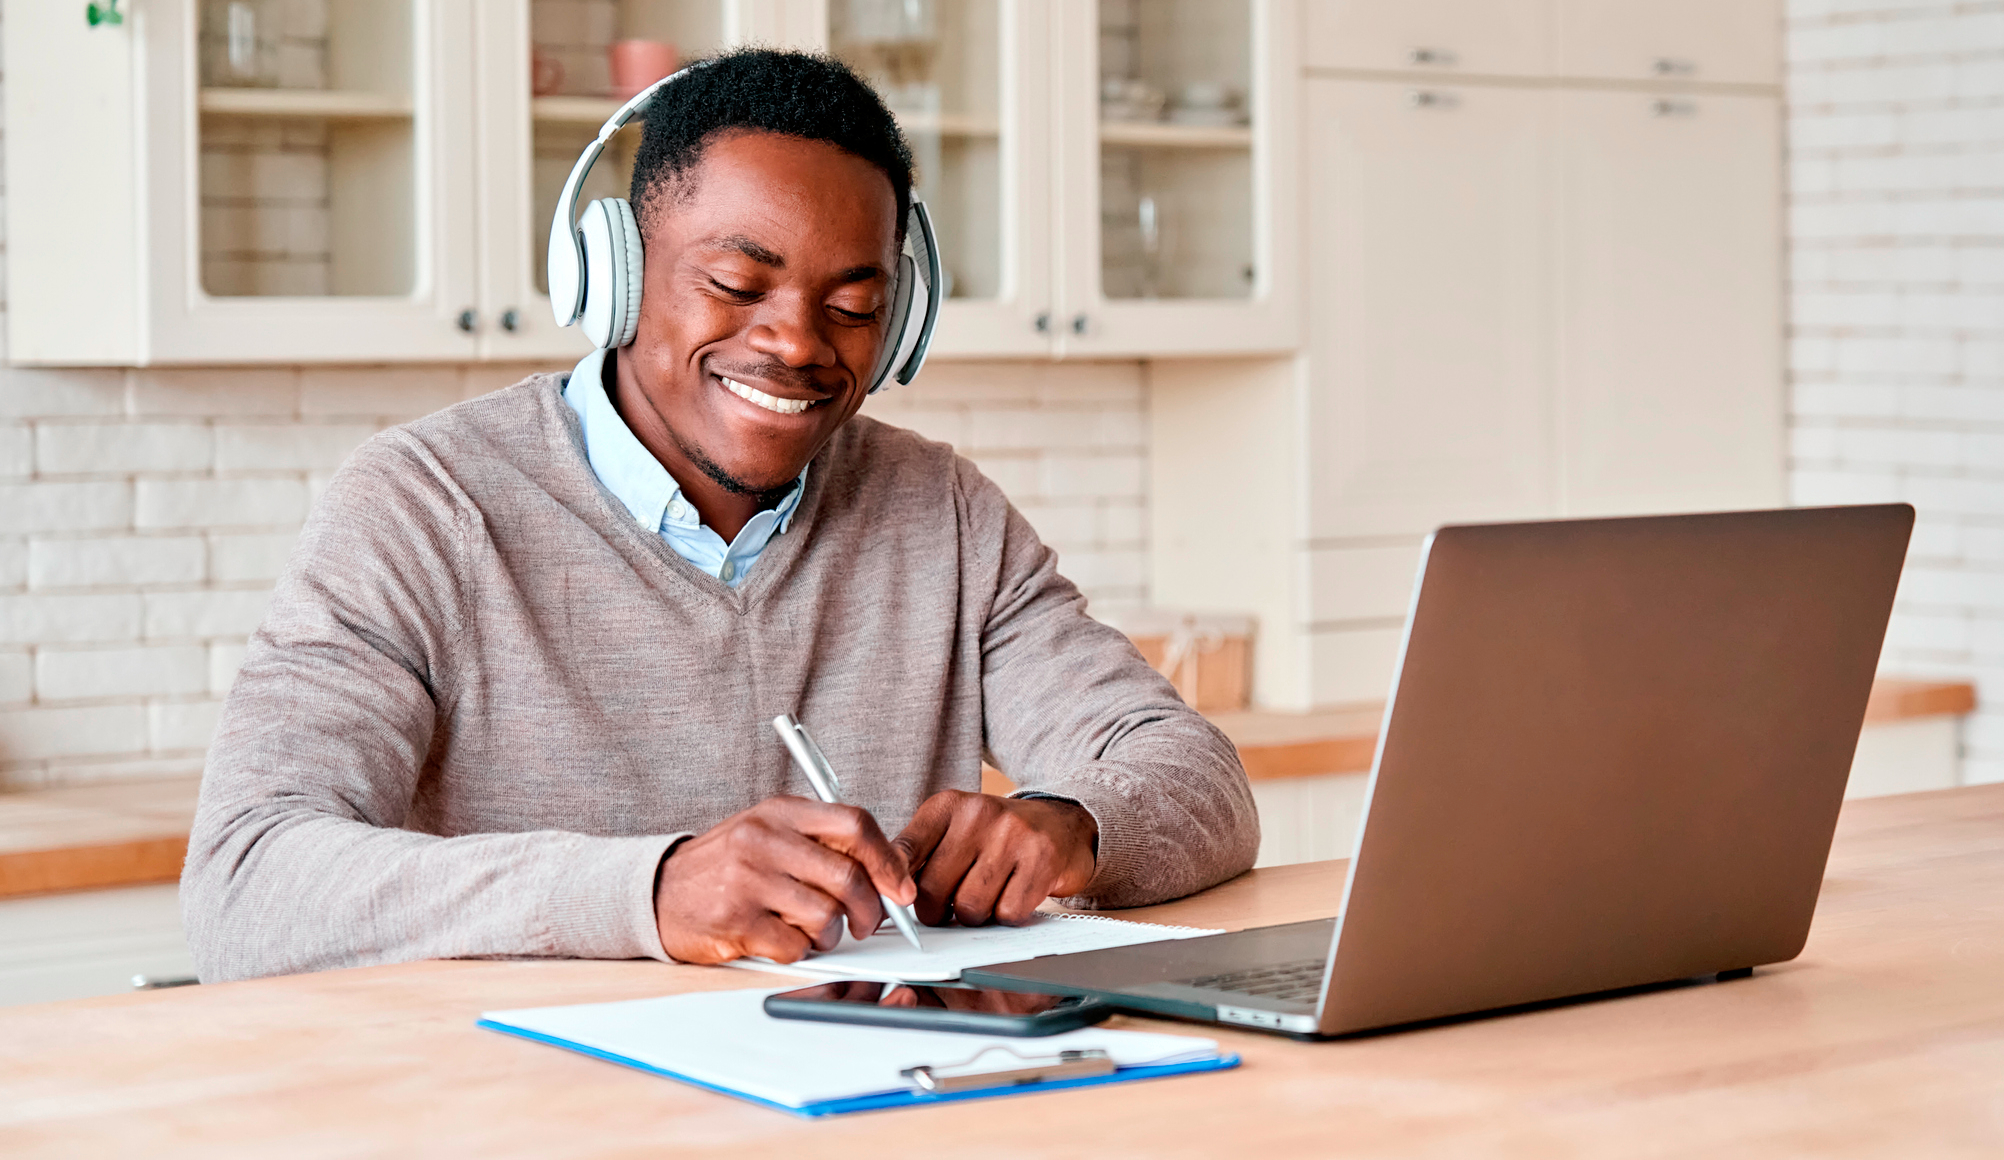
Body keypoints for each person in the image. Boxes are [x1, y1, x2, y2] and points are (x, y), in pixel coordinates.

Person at [181, 48, 1258, 981]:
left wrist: (1070, 827)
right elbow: (246, 880)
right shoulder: (426, 505)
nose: (797, 342)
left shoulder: (945, 515)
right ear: (613, 271)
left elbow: (1193, 772)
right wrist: (647, 891)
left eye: (853, 307)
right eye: (739, 283)